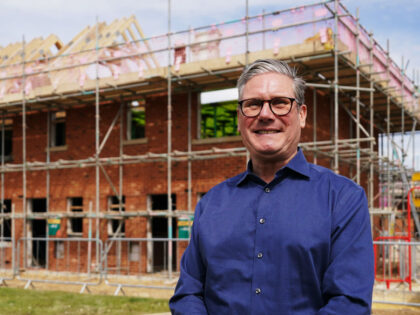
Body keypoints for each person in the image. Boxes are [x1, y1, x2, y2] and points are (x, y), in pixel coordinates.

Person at [169, 59, 374, 314]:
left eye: (279, 102)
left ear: (301, 115)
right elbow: (189, 293)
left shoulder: (343, 199)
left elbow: (348, 303)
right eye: (253, 104)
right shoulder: (210, 204)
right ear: (239, 118)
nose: (265, 114)